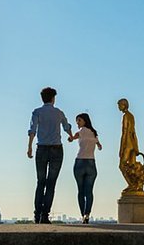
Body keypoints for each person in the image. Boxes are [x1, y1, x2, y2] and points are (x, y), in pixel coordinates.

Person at [27, 87, 73, 224]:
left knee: (40, 182)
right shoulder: (59, 113)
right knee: (51, 184)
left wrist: (29, 147)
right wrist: (70, 136)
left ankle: (37, 214)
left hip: (41, 149)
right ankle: (45, 215)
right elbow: (66, 127)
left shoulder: (37, 112)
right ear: (53, 98)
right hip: (56, 150)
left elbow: (32, 130)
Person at [68, 113, 102, 224]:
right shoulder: (94, 133)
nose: (77, 123)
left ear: (84, 121)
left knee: (80, 191)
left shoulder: (82, 130)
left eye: (79, 120)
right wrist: (97, 145)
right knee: (89, 191)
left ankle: (83, 214)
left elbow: (73, 137)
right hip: (91, 163)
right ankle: (87, 214)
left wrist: (71, 138)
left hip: (80, 162)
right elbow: (99, 145)